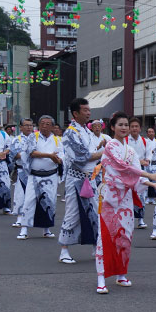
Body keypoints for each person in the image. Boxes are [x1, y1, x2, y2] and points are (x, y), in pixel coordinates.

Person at [95, 112, 156, 294]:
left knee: (125, 236)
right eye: (120, 125)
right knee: (106, 237)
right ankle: (101, 277)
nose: (124, 127)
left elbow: (134, 173)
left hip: (124, 197)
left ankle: (121, 273)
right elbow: (122, 167)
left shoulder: (131, 150)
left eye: (126, 124)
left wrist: (152, 184)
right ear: (112, 127)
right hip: (109, 197)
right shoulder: (110, 146)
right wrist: (149, 175)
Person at [58, 98, 104, 264]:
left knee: (93, 212)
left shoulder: (86, 131)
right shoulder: (71, 133)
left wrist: (100, 150)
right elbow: (81, 158)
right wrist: (103, 152)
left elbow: (91, 153)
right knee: (73, 213)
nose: (88, 113)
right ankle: (64, 249)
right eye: (85, 110)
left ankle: (95, 246)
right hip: (76, 178)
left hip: (90, 178)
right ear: (75, 113)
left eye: (89, 110)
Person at [17, 115, 64, 240]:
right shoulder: (34, 137)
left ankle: (46, 229)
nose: (44, 126)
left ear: (53, 127)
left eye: (48, 124)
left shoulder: (57, 140)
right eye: (42, 123)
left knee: (49, 201)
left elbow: (62, 156)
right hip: (35, 175)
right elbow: (31, 152)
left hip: (51, 175)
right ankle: (24, 228)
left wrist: (58, 159)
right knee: (29, 200)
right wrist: (49, 156)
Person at [124, 118, 153, 228]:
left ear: (140, 128)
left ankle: (140, 219)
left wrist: (147, 161)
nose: (134, 128)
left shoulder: (145, 141)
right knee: (127, 195)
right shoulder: (125, 140)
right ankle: (128, 218)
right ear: (129, 128)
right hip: (128, 170)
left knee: (141, 194)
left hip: (141, 170)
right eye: (132, 126)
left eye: (136, 126)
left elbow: (148, 155)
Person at [10, 118, 34, 228]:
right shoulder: (16, 139)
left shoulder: (36, 138)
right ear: (21, 127)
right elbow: (15, 154)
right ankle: (19, 217)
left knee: (33, 196)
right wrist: (30, 154)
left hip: (34, 171)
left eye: (30, 125)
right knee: (20, 194)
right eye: (26, 125)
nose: (29, 127)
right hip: (21, 170)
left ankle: (32, 217)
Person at [145, 127, 156, 205]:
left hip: (154, 163)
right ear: (147, 133)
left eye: (152, 132)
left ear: (154, 133)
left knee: (153, 181)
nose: (151, 133)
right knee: (146, 181)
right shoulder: (145, 141)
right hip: (147, 163)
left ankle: (153, 198)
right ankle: (146, 197)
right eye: (149, 132)